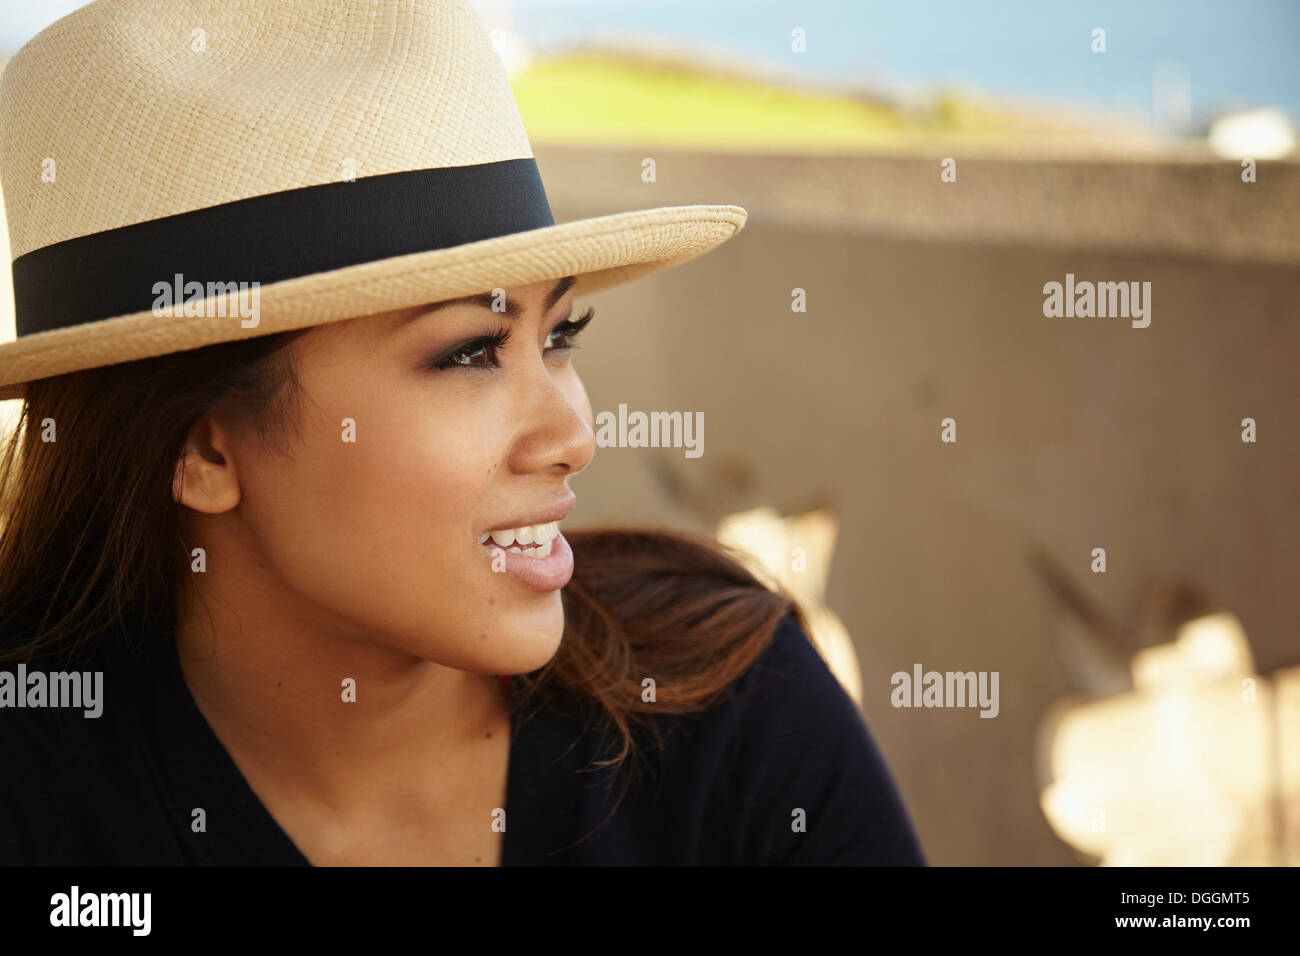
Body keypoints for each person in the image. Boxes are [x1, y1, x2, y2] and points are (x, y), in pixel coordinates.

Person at [0, 0, 924, 866]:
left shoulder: (728, 710)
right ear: (200, 450)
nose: (572, 432)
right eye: (472, 353)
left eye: (558, 335)